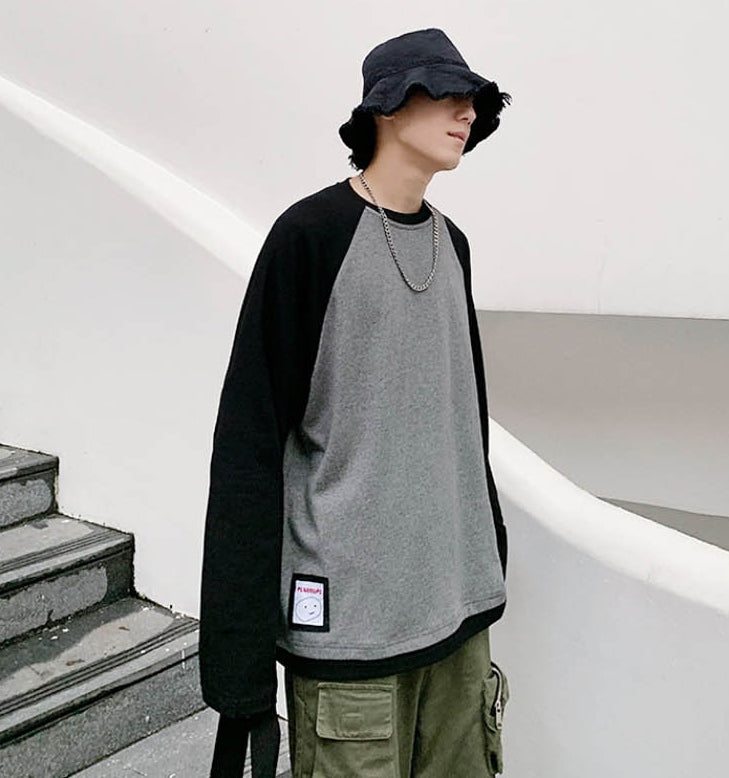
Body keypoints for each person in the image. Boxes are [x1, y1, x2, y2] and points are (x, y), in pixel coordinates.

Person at [199, 27, 512, 778]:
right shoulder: (310, 237)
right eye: (448, 93)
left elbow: (461, 421)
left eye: (474, 99)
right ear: (387, 107)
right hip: (350, 635)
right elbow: (248, 444)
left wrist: (488, 556)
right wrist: (240, 668)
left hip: (458, 620)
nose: (467, 111)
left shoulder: (454, 245)